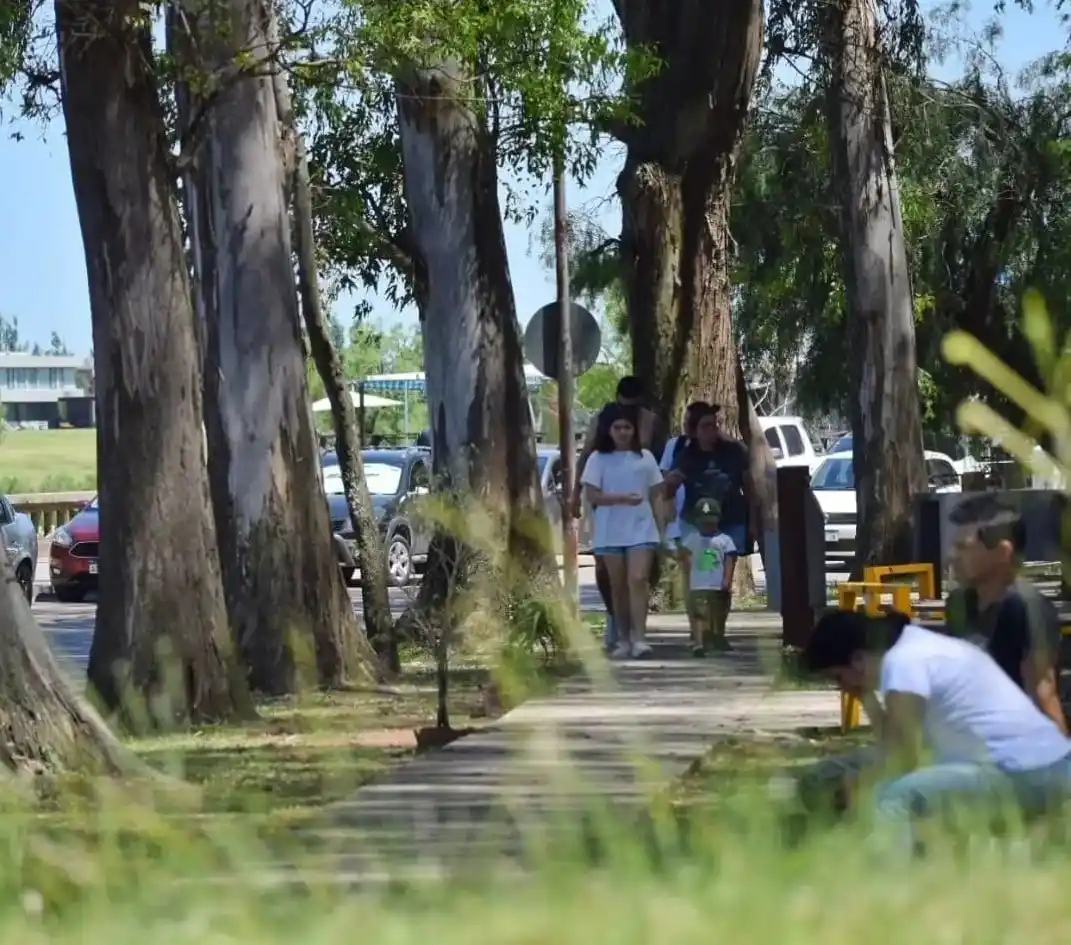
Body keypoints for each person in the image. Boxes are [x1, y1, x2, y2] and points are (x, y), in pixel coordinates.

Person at [794, 608, 1071, 859]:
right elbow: (893, 744)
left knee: (890, 797)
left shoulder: (903, 664)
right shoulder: (913, 647)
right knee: (829, 777)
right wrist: (865, 696)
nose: (842, 688)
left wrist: (858, 785)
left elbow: (903, 760)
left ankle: (889, 879)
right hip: (1032, 766)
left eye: (838, 678)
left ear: (858, 660)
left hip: (1027, 774)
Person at [945, 494, 1067, 733]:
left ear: (1002, 552)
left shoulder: (1026, 608)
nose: (952, 556)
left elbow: (1043, 696)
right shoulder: (959, 603)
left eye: (963, 547)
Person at [574, 376, 666, 649]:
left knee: (638, 578)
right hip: (608, 518)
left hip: (641, 521)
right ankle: (619, 629)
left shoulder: (649, 430)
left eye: (628, 425)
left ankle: (639, 636)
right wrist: (577, 494)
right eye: (619, 427)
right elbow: (587, 469)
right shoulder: (600, 436)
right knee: (614, 580)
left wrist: (662, 524)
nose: (624, 430)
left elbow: (657, 486)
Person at [664, 403, 750, 644]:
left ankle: (718, 632)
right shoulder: (687, 454)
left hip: (730, 520)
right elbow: (670, 486)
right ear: (695, 430)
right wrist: (669, 488)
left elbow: (750, 484)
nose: (712, 430)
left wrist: (755, 520)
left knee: (723, 581)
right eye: (705, 426)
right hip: (695, 523)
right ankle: (698, 631)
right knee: (696, 580)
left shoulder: (733, 451)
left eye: (715, 425)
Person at [678, 496, 736, 656]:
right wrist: (688, 575)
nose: (707, 526)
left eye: (711, 522)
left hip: (718, 586)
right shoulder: (692, 539)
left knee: (718, 613)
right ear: (696, 521)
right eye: (703, 523)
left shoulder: (725, 540)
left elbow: (729, 560)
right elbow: (685, 557)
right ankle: (699, 643)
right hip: (698, 585)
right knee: (699, 614)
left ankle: (717, 638)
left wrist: (727, 580)